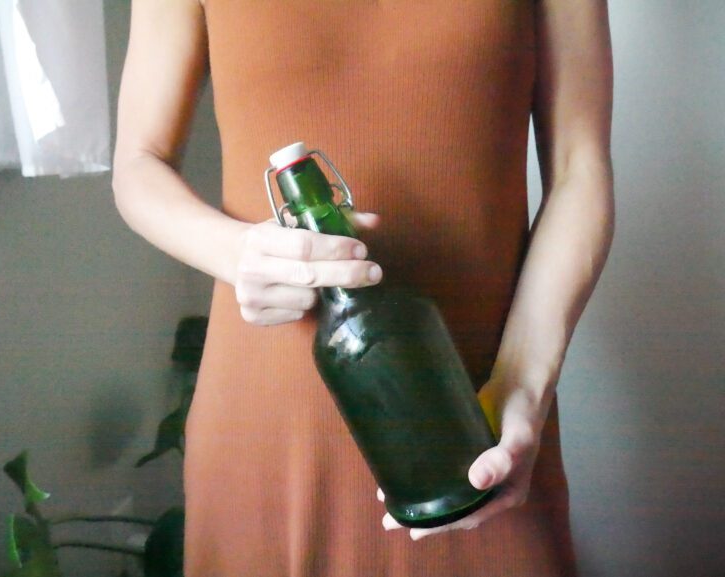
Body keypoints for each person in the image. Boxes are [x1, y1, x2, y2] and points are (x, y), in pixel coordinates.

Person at [112, 1, 614, 575]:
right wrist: (234, 253)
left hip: (481, 428)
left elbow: (581, 168)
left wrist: (525, 382)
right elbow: (138, 163)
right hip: (267, 429)